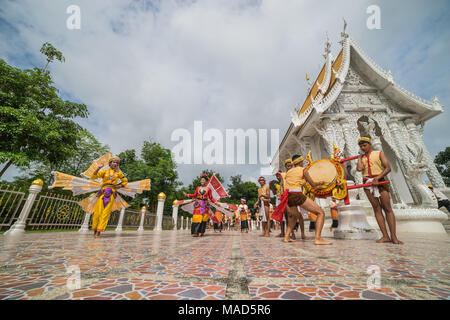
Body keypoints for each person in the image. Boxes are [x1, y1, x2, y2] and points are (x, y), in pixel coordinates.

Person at [273, 154, 332, 245]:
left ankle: (287, 237)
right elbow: (313, 184)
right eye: (302, 162)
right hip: (297, 195)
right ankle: (318, 239)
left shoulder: (288, 172)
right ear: (300, 162)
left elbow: (295, 182)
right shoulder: (303, 170)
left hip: (288, 197)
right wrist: (321, 182)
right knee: (320, 213)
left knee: (294, 217)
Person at [357, 137, 403, 244]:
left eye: (365, 145)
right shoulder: (362, 157)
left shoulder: (379, 153)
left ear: (370, 144)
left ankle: (394, 236)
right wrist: (359, 158)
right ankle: (385, 236)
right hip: (367, 182)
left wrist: (377, 178)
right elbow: (359, 169)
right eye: (361, 146)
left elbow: (388, 168)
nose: (363, 148)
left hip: (380, 180)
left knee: (387, 208)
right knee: (376, 208)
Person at [90, 156, 128, 238]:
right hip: (103, 193)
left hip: (111, 194)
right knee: (98, 212)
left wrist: (120, 186)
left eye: (117, 163)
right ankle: (95, 230)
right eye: (114, 162)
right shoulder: (104, 171)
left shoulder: (119, 173)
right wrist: (98, 168)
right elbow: (93, 177)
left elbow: (125, 181)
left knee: (105, 213)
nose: (115, 164)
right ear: (110, 163)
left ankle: (99, 232)